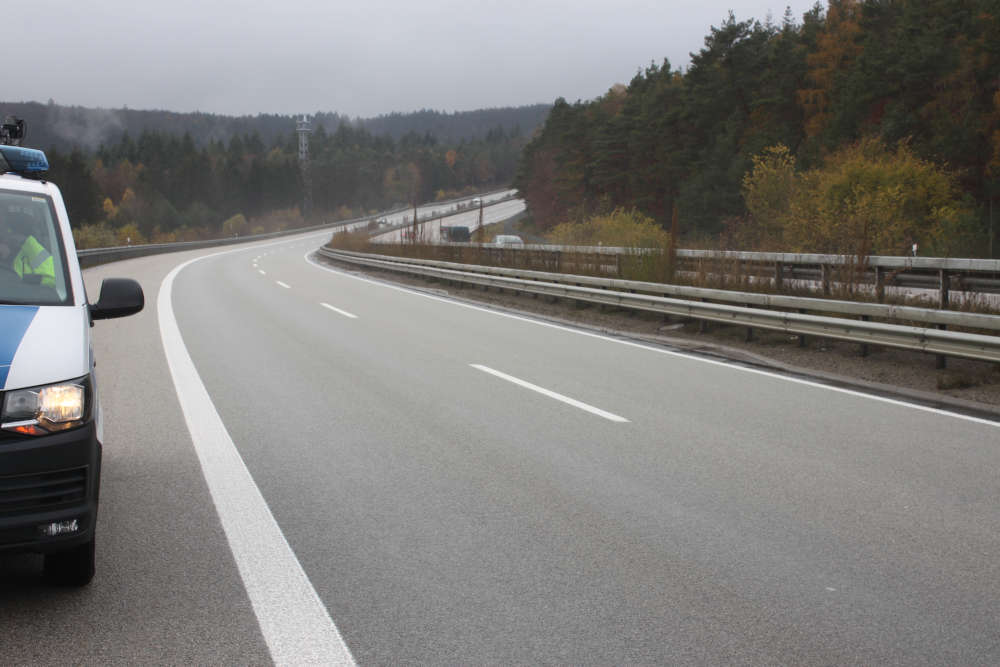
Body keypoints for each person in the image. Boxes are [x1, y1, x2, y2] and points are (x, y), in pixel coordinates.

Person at [0, 212, 55, 287]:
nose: (2, 232)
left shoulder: (32, 250)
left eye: (5, 229)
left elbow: (54, 279)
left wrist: (25, 280)